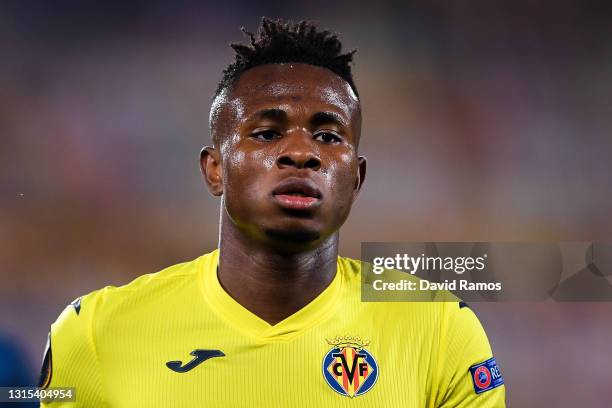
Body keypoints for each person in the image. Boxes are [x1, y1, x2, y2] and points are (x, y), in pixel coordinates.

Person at [40, 18, 505, 407]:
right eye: (266, 133)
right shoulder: (97, 333)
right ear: (214, 169)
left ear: (356, 179)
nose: (302, 153)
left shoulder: (439, 330)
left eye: (328, 136)